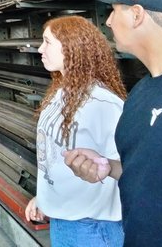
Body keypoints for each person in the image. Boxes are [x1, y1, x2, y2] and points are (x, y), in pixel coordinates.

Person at [65, 0, 162, 245]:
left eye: (114, 11)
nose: (108, 22)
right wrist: (108, 167)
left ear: (136, 14)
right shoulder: (141, 93)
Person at [24, 16, 126, 246]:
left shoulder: (103, 104)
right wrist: (44, 199)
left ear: (72, 47)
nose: (40, 49)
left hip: (93, 227)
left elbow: (127, 169)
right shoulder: (60, 94)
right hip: (63, 221)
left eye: (47, 42)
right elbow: (54, 159)